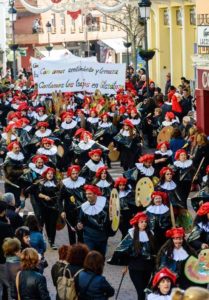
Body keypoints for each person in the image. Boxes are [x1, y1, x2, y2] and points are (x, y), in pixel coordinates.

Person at [109, 212, 156, 300]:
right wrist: (124, 265)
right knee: (140, 291)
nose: (144, 224)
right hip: (135, 268)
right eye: (141, 222)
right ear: (137, 223)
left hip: (147, 267)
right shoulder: (131, 235)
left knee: (144, 290)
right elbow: (124, 251)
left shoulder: (150, 234)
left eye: (145, 222)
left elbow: (154, 251)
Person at [77, 185, 111, 257]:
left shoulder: (104, 204)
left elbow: (111, 217)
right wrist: (79, 224)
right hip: (89, 237)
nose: (87, 196)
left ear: (95, 194)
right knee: (90, 258)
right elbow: (80, 220)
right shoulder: (84, 206)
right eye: (86, 194)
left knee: (101, 258)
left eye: (90, 194)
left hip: (102, 237)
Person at [60, 165, 85, 245]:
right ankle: (73, 251)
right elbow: (59, 199)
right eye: (73, 173)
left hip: (81, 211)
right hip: (69, 212)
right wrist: (62, 211)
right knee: (71, 233)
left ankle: (81, 251)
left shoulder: (83, 183)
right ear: (70, 174)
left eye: (76, 173)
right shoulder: (65, 185)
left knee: (81, 233)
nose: (75, 175)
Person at [0, 201, 14, 300]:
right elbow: (12, 241)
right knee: (8, 285)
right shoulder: (5, 226)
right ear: (3, 212)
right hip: (2, 260)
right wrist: (9, 225)